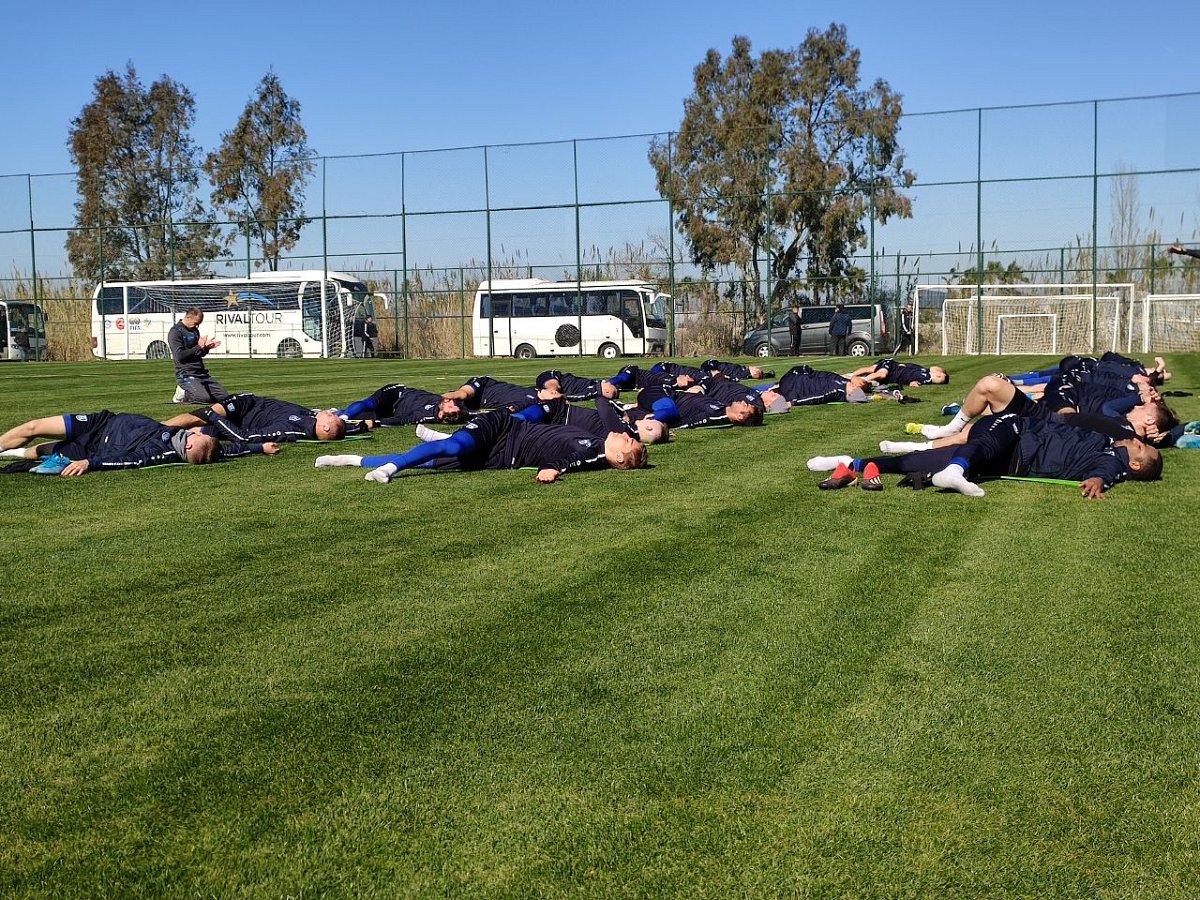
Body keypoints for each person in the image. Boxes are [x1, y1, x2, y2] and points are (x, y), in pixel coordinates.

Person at [810, 412, 1161, 499]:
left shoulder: (1113, 462)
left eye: (1140, 446)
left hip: (1019, 445)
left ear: (1134, 463)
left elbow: (1105, 472)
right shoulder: (1111, 446)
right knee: (972, 446)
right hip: (1018, 437)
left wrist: (1098, 480)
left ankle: (850, 463)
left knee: (920, 463)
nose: (1136, 440)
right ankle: (848, 463)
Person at [314, 404, 647, 484]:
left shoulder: (592, 453)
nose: (625, 435)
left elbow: (573, 461)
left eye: (629, 442)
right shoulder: (596, 440)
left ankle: (350, 459)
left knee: (431, 461)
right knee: (455, 448)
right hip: (502, 426)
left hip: (498, 454)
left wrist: (553, 469)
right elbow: (598, 407)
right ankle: (389, 469)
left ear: (619, 458)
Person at [0, 410, 279, 475]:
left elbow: (128, 461)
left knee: (35, 452)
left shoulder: (161, 452)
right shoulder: (197, 445)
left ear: (190, 447)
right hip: (100, 421)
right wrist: (259, 447)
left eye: (199, 435)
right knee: (34, 427)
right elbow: (228, 451)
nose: (198, 431)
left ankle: (8, 453)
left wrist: (89, 462)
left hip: (92, 448)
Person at [162, 393, 355, 443]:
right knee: (197, 424)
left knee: (199, 419)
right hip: (249, 405)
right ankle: (160, 431)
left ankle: (157, 429)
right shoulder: (311, 419)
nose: (330, 413)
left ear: (325, 428)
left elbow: (244, 437)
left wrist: (214, 417)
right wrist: (364, 424)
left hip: (245, 408)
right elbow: (348, 427)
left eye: (331, 417)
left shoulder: (290, 429)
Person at [169, 307, 229, 404]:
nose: (197, 326)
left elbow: (198, 354)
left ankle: (202, 391)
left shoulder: (194, 331)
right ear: (189, 318)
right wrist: (199, 347)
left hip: (201, 373)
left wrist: (206, 348)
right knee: (203, 399)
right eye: (196, 323)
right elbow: (179, 356)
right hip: (186, 374)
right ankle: (182, 393)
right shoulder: (175, 332)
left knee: (225, 398)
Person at [336, 383, 467, 427]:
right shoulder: (449, 406)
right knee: (370, 404)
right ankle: (343, 418)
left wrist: (375, 423)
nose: (450, 401)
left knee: (362, 414)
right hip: (397, 393)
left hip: (394, 404)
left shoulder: (425, 415)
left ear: (441, 414)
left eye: (450, 406)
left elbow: (403, 420)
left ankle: (336, 415)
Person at [849, 358, 948, 387]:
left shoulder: (925, 380)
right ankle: (858, 378)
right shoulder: (923, 370)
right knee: (879, 373)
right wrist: (902, 364)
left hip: (893, 374)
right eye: (940, 375)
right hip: (893, 366)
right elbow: (909, 365)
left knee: (873, 371)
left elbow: (913, 382)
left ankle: (849, 376)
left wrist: (913, 384)